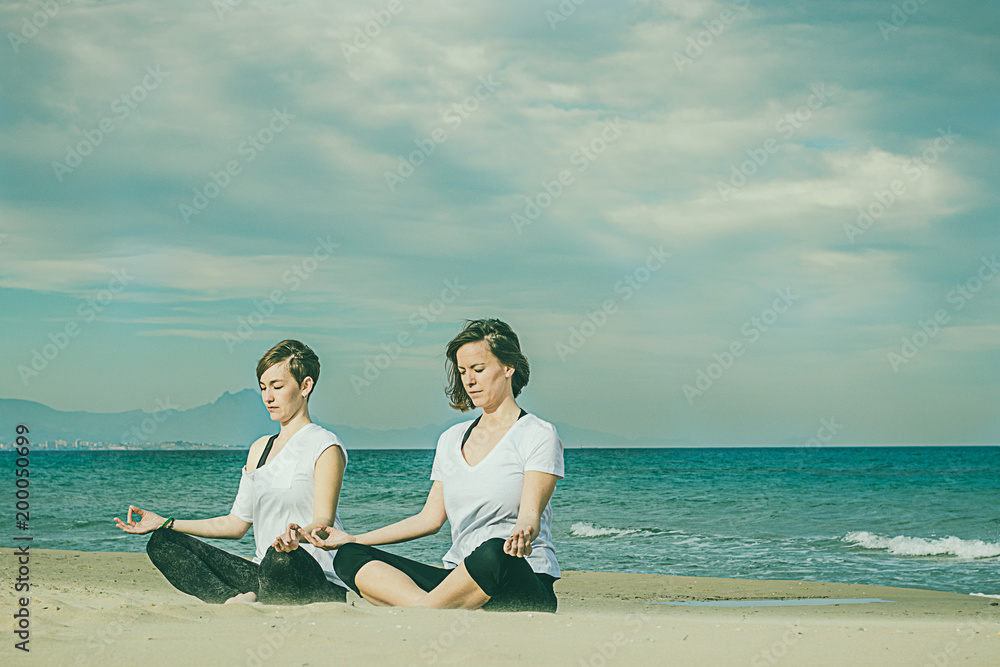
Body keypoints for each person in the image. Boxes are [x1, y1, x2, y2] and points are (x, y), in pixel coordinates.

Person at [275, 318, 563, 612]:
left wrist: (523, 534)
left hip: (518, 578)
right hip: (458, 580)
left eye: (478, 369)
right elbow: (429, 519)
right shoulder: (451, 439)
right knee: (349, 556)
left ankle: (423, 610)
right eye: (462, 371)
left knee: (493, 551)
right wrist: (353, 538)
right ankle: (435, 608)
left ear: (508, 367)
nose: (469, 380)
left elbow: (530, 517)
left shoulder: (537, 434)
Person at [114, 339, 350, 605]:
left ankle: (256, 596)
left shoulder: (324, 445)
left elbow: (323, 524)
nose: (268, 397)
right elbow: (236, 524)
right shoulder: (259, 449)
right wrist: (166, 522)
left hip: (310, 575)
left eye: (277, 386)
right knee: (162, 542)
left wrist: (294, 538)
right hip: (264, 575)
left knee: (279, 557)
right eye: (263, 388)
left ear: (305, 386)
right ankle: (234, 601)